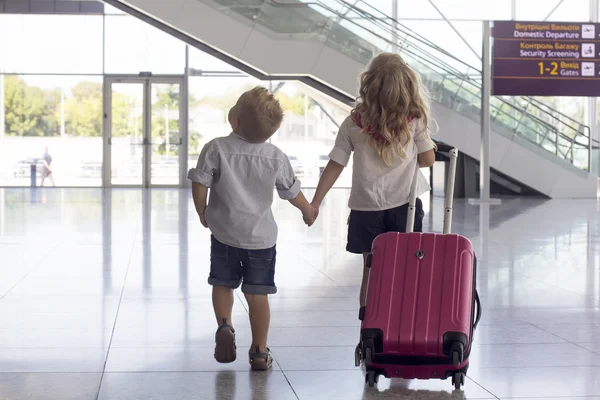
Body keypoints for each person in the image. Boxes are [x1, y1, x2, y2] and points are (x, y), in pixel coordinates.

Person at [188, 86, 317, 371]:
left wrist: (202, 209)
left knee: (222, 283)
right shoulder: (275, 155)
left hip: (224, 234)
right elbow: (290, 190)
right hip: (261, 239)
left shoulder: (216, 147)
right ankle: (259, 351)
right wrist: (308, 210)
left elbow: (200, 180)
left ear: (234, 121)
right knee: (258, 294)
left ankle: (225, 326)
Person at [310, 53, 437, 307]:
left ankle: (369, 321)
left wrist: (315, 202)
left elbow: (336, 164)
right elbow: (428, 159)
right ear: (406, 86)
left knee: (371, 266)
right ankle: (403, 317)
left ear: (369, 86)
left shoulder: (353, 123)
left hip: (366, 207)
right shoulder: (413, 121)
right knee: (406, 265)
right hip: (405, 206)